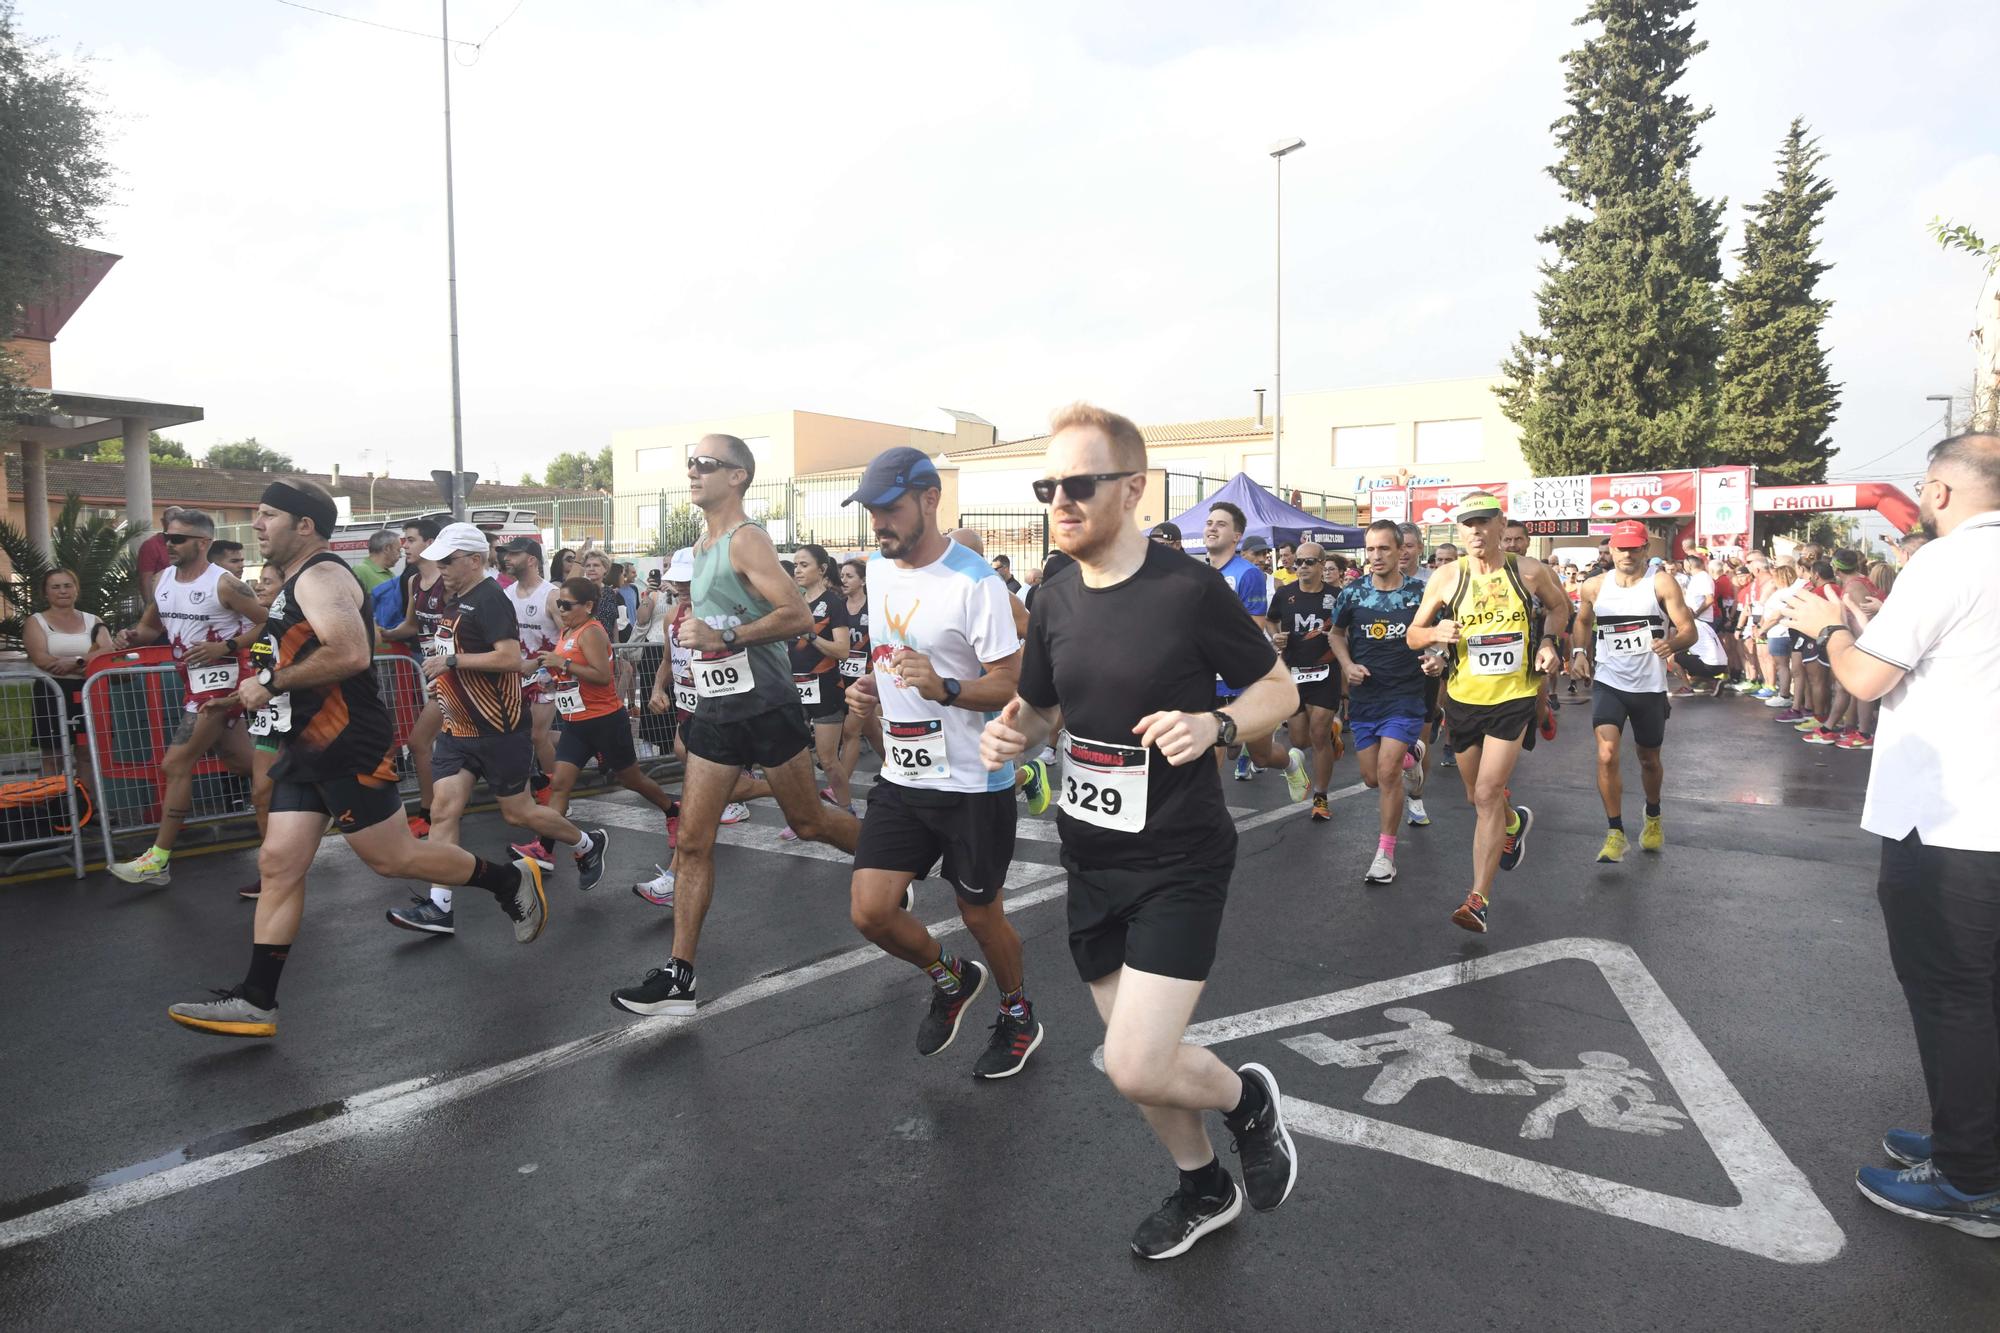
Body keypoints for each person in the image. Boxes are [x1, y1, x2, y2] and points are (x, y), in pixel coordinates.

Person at [981, 402, 1299, 1260]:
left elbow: (1280, 690)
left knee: (1132, 1061)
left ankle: (1248, 1103)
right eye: (1049, 486)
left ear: (1132, 488)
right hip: (1092, 856)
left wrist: (1221, 726)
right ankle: (1204, 1184)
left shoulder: (1187, 590)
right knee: (1140, 1062)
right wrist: (1013, 730)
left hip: (1178, 858)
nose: (1061, 501)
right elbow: (1044, 707)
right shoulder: (1050, 598)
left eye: (1079, 484)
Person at [168, 481, 546, 1039]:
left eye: (268, 515)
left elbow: (350, 652)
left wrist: (270, 682)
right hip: (307, 741)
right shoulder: (295, 581)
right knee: (278, 863)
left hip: (345, 740)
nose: (257, 525)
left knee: (393, 860)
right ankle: (257, 1000)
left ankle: (509, 881)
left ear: (304, 525)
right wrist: (254, 687)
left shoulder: (320, 575)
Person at [1776, 433, 2000, 1237]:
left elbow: (1867, 676)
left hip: (1949, 821)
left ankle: (1971, 1177)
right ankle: (1966, 1140)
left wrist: (1833, 628)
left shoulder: (1945, 562)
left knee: (1954, 995)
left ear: (1938, 492)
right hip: (1981, 817)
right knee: (1977, 995)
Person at [612, 435, 861, 1016]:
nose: (693, 472)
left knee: (808, 822)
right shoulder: (700, 547)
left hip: (768, 707)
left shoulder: (746, 540)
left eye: (706, 464)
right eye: (690, 463)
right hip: (718, 712)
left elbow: (796, 615)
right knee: (695, 840)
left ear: (739, 477)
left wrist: (724, 636)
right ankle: (680, 979)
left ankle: (897, 856)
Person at [837, 449, 1043, 1079]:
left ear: (930, 501)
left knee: (981, 915)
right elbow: (891, 649)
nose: (879, 523)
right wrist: (871, 689)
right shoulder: (877, 567)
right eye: (871, 511)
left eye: (890, 508)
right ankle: (951, 980)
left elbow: (1012, 682)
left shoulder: (975, 581)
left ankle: (1017, 1014)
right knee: (870, 912)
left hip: (971, 781)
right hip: (903, 773)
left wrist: (946, 688)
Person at [385, 523, 607, 936]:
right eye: (439, 560)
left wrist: (452, 664)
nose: (442, 567)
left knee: (518, 812)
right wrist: (445, 676)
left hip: (498, 729)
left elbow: (507, 657)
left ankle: (586, 843)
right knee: (443, 810)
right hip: (458, 726)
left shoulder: (489, 600)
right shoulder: (458, 600)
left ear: (473, 560)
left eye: (449, 560)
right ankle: (440, 907)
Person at [1407, 493, 1569, 933]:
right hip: (1462, 698)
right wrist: (1434, 633)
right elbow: (1412, 635)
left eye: (1483, 522)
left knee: (1486, 793)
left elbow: (1560, 608)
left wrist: (1551, 643)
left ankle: (1477, 899)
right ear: (1459, 532)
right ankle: (1514, 822)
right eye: (1467, 525)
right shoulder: (1446, 577)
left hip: (1514, 697)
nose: (1476, 532)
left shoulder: (1529, 572)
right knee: (1476, 797)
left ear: (1501, 525)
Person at [109, 509, 268, 888]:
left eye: (177, 539)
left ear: (202, 542)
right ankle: (309, 791)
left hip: (222, 682)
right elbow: (151, 626)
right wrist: (129, 636)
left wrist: (224, 646)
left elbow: (265, 621)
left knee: (175, 763)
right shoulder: (164, 579)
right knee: (239, 760)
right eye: (167, 537)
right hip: (191, 680)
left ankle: (158, 860)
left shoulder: (225, 584)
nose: (168, 544)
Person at [1568, 521, 1697, 863]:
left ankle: (1652, 816)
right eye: (1621, 547)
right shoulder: (1594, 586)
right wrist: (1579, 653)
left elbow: (1689, 630)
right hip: (1610, 682)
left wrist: (1672, 643)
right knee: (1607, 753)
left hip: (1650, 686)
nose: (1627, 554)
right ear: (1611, 549)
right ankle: (1615, 833)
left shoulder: (1661, 583)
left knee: (1648, 759)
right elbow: (1581, 621)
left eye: (1634, 547)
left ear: (1645, 550)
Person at [1329, 521, 1434, 882]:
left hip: (1404, 695)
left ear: (1400, 549)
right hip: (1365, 698)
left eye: (1383, 549)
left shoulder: (1421, 593)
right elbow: (1336, 634)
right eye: (1370, 549)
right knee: (1372, 777)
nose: (1375, 556)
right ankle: (1413, 755)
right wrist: (1347, 665)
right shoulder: (1353, 594)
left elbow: (1438, 636)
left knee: (1388, 774)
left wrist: (1436, 656)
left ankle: (1385, 855)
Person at [535, 574, 679, 829]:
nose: (561, 610)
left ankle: (671, 811)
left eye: (567, 605)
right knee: (560, 785)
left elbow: (602, 677)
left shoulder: (591, 632)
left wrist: (563, 664)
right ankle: (544, 848)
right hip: (576, 722)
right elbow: (571, 672)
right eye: (559, 604)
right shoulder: (567, 629)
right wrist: (553, 676)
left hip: (604, 721)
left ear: (588, 606)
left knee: (631, 779)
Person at [1202, 501, 1308, 797]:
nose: (1212, 527)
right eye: (1210, 522)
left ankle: (1290, 763)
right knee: (1212, 748)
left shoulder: (1247, 574)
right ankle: (1206, 820)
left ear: (1236, 537)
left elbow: (1252, 628)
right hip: (1206, 678)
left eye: (1220, 524)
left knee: (1261, 756)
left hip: (1242, 678)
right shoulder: (1196, 573)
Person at [1265, 542, 1344, 822]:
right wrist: (1276, 637)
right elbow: (1270, 621)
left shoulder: (1337, 596)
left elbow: (1347, 630)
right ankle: (1332, 732)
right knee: (1299, 740)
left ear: (1323, 565)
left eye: (1309, 562)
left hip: (1326, 671)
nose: (1302, 567)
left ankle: (1320, 798)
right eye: (1298, 562)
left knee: (1319, 735)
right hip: (1293, 672)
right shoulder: (1285, 594)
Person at [379, 517, 448, 835]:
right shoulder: (412, 583)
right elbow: (412, 626)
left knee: (420, 741)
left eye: (410, 539)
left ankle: (431, 812)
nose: (403, 546)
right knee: (435, 744)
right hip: (433, 676)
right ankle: (438, 810)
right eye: (403, 540)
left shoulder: (447, 583)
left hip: (454, 676)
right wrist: (385, 633)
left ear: (430, 542)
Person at [498, 537, 563, 861]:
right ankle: (571, 748)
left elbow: (569, 636)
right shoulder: (506, 594)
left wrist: (547, 663)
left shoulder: (550, 594)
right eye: (506, 553)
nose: (508, 558)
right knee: (525, 735)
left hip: (545, 676)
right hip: (515, 676)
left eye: (515, 553)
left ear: (533, 559)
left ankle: (554, 792)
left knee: (537, 735)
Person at [784, 542, 855, 832]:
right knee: (796, 760)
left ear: (822, 569)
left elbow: (843, 651)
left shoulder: (834, 603)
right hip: (794, 690)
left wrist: (810, 636)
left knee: (827, 759)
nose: (798, 570)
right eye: (796, 565)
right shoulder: (794, 602)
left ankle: (847, 811)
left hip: (826, 687)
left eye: (804, 565)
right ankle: (806, 816)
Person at [23, 567, 113, 781]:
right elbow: (41, 659)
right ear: (45, 592)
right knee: (53, 755)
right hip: (52, 692)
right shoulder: (36, 622)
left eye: (67, 585)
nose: (62, 591)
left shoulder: (94, 620)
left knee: (86, 753)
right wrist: (86, 662)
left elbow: (108, 651)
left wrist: (75, 662)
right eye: (55, 587)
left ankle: (87, 809)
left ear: (76, 590)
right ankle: (49, 809)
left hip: (88, 691)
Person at [135, 505, 183, 604]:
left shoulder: (188, 543)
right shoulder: (151, 545)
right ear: (163, 522)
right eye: (171, 521)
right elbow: (145, 579)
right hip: (162, 601)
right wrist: (149, 607)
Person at [354, 530, 399, 596]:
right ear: (387, 548)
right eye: (398, 550)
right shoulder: (360, 571)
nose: (400, 555)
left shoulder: (390, 574)